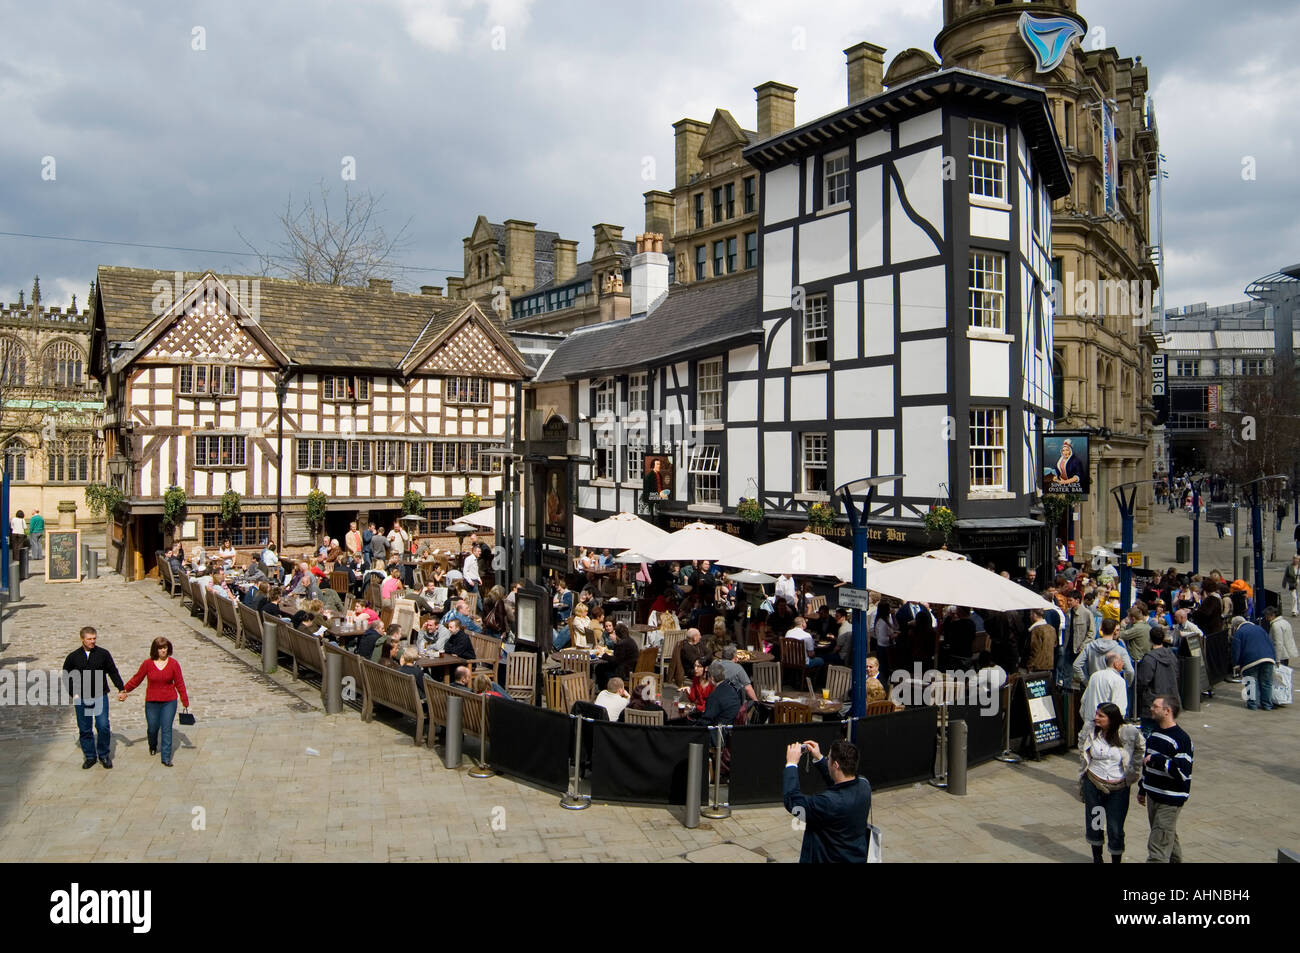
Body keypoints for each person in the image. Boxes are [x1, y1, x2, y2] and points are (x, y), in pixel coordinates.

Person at [782, 739, 872, 863]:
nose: (827, 759)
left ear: (835, 765)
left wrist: (791, 764)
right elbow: (840, 781)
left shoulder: (828, 803)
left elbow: (793, 802)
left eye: (828, 758)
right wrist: (819, 758)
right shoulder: (864, 786)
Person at [1077, 701, 1144, 863]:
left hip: (1118, 788)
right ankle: (1097, 858)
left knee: (1115, 827)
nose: (1096, 718)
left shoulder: (1128, 732)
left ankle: (1116, 859)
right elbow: (1081, 745)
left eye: (1101, 715)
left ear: (1112, 718)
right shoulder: (1091, 730)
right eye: (1096, 714)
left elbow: (1141, 748)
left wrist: (1134, 772)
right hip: (1094, 785)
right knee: (1096, 824)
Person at [1137, 695, 1194, 863]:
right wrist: (1142, 788)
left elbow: (1183, 772)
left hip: (1170, 799)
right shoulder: (1154, 733)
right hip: (1153, 795)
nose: (1151, 709)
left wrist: (1159, 760)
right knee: (1166, 835)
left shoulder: (1181, 739)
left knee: (1158, 846)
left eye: (1156, 706)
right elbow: (1147, 764)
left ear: (1167, 711)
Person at [118, 636, 191, 767]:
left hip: (169, 701)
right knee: (152, 728)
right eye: (160, 648)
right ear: (155, 650)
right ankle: (152, 745)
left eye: (165, 648)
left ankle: (166, 757)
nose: (163, 651)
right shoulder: (148, 664)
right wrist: (125, 690)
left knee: (166, 728)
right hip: (152, 702)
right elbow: (137, 679)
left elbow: (180, 683)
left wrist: (185, 700)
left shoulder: (174, 664)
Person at [62, 626, 125, 769]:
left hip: (99, 695)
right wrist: (74, 693)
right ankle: (90, 756)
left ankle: (104, 754)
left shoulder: (103, 654)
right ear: (82, 639)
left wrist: (121, 688)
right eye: (89, 639)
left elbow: (113, 672)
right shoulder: (73, 657)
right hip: (81, 697)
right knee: (85, 728)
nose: (92, 641)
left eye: (94, 638)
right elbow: (66, 676)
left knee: (103, 726)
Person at [1135, 628, 1180, 736]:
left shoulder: (1149, 659)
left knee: (1149, 735)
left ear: (1150, 639)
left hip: (1152, 704)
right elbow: (1177, 674)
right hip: (1169, 701)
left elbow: (1142, 681)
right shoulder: (1171, 655)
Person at [1230, 618, 1277, 711]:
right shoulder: (1260, 628)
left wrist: (1236, 664)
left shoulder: (1239, 633)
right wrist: (1274, 658)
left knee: (1251, 682)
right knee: (1266, 683)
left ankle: (1252, 705)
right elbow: (1270, 643)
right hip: (1268, 658)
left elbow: (1236, 651)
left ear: (1235, 626)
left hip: (1250, 661)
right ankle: (1267, 705)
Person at [1072, 619, 1134, 688]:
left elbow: (1076, 665)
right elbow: (1130, 671)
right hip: (1113, 686)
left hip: (1094, 685)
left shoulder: (1089, 647)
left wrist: (1086, 682)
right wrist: (1125, 685)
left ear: (1101, 629)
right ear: (1114, 631)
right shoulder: (1120, 650)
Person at [1080, 651, 1129, 730]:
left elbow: (1084, 700)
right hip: (1107, 728)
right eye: (1122, 662)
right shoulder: (1118, 680)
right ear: (1116, 664)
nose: (1123, 664)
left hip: (1089, 724)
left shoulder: (1094, 676)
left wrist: (1086, 720)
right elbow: (1119, 708)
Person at [689, 662, 742, 726]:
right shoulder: (731, 688)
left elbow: (706, 720)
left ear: (712, 678)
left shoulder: (714, 696)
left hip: (719, 729)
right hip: (731, 724)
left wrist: (694, 726)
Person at [1026, 608, 1056, 673]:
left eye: (1030, 614)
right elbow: (1055, 644)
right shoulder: (1051, 628)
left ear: (1034, 615)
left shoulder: (1036, 630)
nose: (1029, 616)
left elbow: (1034, 650)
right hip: (1049, 664)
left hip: (1037, 666)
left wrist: (1029, 665)